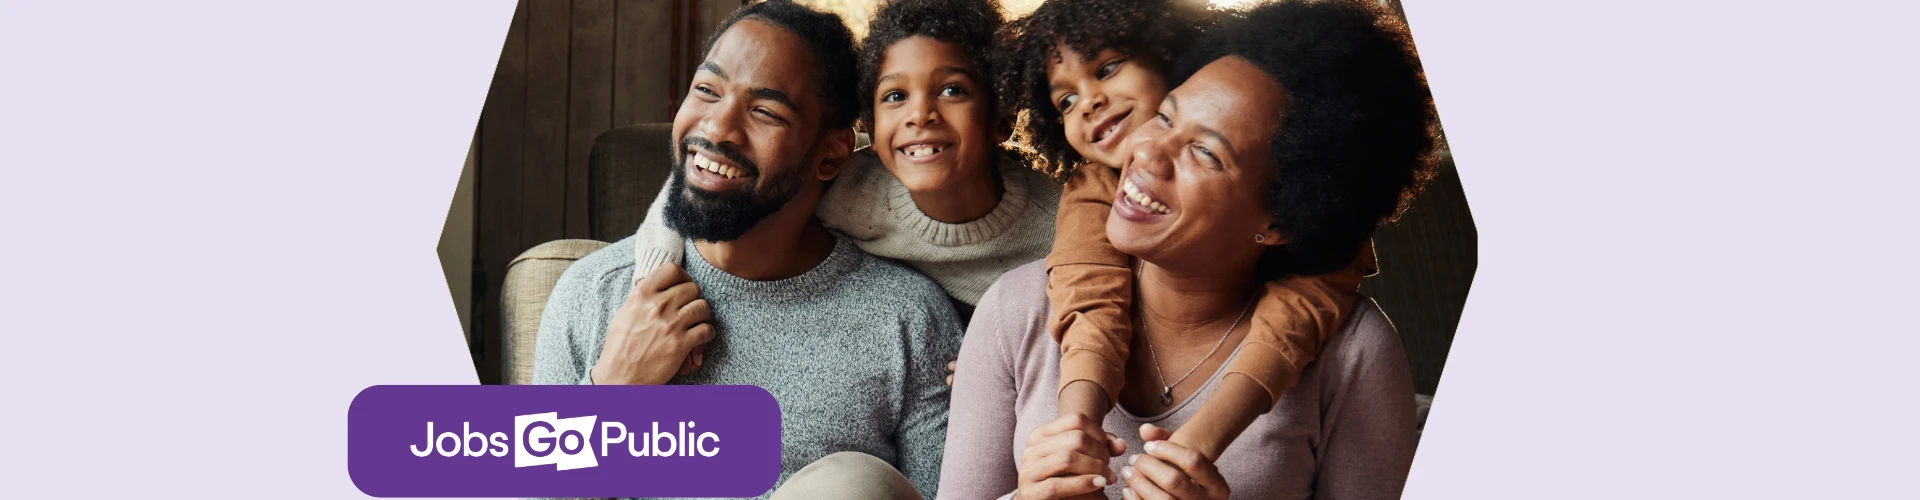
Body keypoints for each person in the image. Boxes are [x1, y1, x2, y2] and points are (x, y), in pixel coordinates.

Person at [942, 1, 1438, 498]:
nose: (1145, 151)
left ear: (1283, 219)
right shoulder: (1015, 309)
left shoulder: (1354, 351)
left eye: (1205, 152)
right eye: (1164, 117)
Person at [530, 1, 961, 498]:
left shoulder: (906, 318)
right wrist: (613, 394)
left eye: (765, 112)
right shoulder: (595, 294)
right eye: (707, 91)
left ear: (831, 153)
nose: (716, 129)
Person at [630, 0, 1059, 326]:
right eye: (895, 96)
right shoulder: (853, 190)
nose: (919, 114)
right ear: (872, 129)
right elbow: (707, 185)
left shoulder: (1058, 222)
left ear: (1001, 119)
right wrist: (648, 282)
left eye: (952, 91)